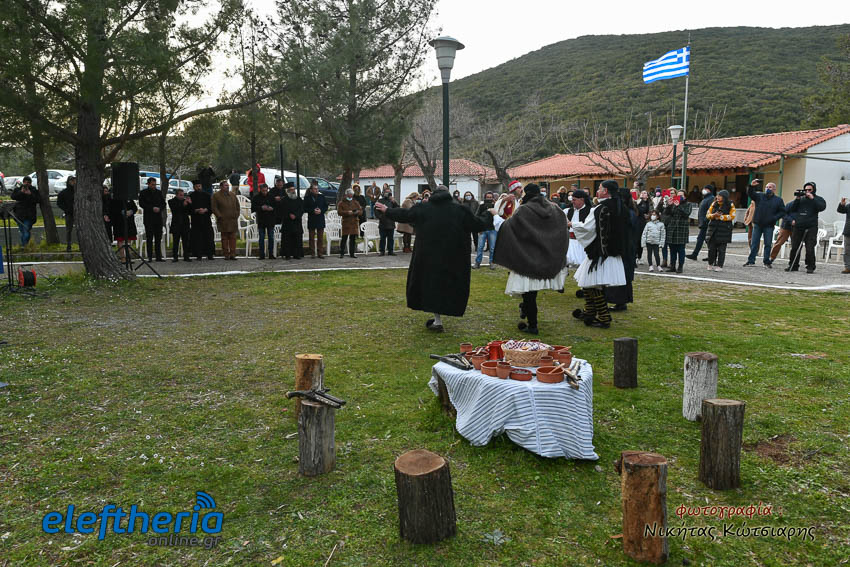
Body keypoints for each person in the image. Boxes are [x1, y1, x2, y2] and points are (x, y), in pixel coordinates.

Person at [376, 185, 492, 332]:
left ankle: (437, 320)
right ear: (448, 195)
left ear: (433, 195)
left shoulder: (423, 208)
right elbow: (478, 224)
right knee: (446, 286)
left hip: (428, 257)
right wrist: (489, 214)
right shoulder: (460, 210)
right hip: (453, 257)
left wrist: (387, 210)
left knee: (431, 286)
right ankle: (439, 319)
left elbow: (406, 215)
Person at [493, 184, 568, 335]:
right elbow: (562, 230)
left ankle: (532, 325)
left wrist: (495, 215)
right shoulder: (555, 209)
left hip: (527, 259)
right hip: (545, 258)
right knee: (531, 294)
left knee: (529, 295)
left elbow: (507, 227)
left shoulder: (524, 210)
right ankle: (526, 311)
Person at [571, 180, 627, 328]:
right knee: (587, 282)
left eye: (600, 188)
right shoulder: (621, 206)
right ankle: (589, 311)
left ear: (606, 191)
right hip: (614, 251)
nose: (598, 191)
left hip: (600, 253)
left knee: (593, 284)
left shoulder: (601, 208)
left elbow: (587, 228)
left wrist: (572, 224)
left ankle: (603, 317)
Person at [606, 187, 638, 310]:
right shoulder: (628, 211)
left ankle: (620, 301)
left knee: (623, 273)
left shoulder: (628, 213)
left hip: (626, 247)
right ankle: (619, 300)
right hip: (626, 246)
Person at [785, 182, 826, 274]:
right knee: (795, 247)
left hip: (811, 226)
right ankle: (793, 265)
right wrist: (797, 199)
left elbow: (822, 207)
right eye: (806, 190)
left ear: (814, 190)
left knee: (810, 247)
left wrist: (812, 198)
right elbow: (792, 209)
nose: (807, 191)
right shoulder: (801, 199)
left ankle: (810, 266)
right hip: (799, 226)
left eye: (809, 190)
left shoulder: (818, 199)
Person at [743, 180, 786, 268]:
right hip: (758, 224)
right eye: (766, 187)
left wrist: (774, 218)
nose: (767, 188)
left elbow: (782, 212)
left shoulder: (778, 200)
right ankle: (751, 261)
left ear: (774, 189)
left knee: (768, 244)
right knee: (754, 243)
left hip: (769, 225)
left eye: (770, 187)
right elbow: (750, 194)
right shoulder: (759, 196)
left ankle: (766, 262)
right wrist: (751, 186)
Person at [705, 190, 736, 272]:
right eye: (717, 195)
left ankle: (720, 265)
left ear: (724, 197)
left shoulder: (730, 205)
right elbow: (708, 214)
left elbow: (732, 216)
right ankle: (710, 263)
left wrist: (721, 217)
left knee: (722, 250)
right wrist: (713, 215)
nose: (718, 197)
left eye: (720, 196)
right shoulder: (714, 204)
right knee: (711, 248)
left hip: (724, 230)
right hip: (713, 229)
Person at [139, 177, 166, 262]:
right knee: (149, 238)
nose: (154, 186)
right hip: (149, 218)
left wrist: (159, 208)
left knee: (158, 238)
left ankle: (158, 256)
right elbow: (141, 204)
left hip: (158, 218)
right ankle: (150, 256)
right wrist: (151, 208)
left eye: (155, 184)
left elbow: (163, 203)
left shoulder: (159, 192)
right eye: (152, 185)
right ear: (148, 184)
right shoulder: (143, 193)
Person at [212, 180, 240, 260]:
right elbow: (214, 207)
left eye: (228, 185)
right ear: (221, 187)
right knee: (224, 238)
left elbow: (237, 206)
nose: (227, 187)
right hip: (223, 220)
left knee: (233, 237)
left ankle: (233, 254)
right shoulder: (216, 196)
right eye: (225, 185)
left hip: (233, 220)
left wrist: (236, 214)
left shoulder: (232, 195)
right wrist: (219, 216)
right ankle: (226, 254)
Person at [686, 185, 715, 260]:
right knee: (704, 239)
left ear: (709, 190)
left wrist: (705, 220)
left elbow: (711, 211)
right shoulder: (705, 198)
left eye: (705, 189)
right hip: (704, 223)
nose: (703, 190)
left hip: (707, 223)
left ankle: (697, 255)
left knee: (703, 239)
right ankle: (711, 255)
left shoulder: (711, 198)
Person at [188, 180, 215, 259]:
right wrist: (196, 210)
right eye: (197, 186)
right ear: (194, 187)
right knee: (197, 238)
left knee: (208, 237)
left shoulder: (207, 195)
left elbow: (211, 207)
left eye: (199, 186)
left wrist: (206, 210)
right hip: (196, 220)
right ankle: (198, 254)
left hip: (206, 219)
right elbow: (189, 209)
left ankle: (209, 254)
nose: (198, 188)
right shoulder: (191, 196)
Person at [565, 189, 590, 267]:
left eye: (574, 200)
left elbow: (587, 226)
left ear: (582, 200)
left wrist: (571, 224)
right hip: (571, 242)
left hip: (583, 243)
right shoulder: (568, 211)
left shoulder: (590, 211)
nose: (572, 202)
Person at [109, 192, 137, 263]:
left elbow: (134, 208)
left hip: (129, 222)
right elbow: (112, 209)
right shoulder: (114, 199)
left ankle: (128, 257)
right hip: (119, 222)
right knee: (120, 239)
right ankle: (122, 258)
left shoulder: (129, 198)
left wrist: (131, 211)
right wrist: (122, 212)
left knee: (129, 239)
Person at [251, 183, 277, 259]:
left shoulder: (271, 197)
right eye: (263, 191)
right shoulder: (256, 198)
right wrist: (261, 208)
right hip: (261, 220)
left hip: (270, 220)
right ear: (260, 190)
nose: (265, 192)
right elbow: (253, 208)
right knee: (261, 237)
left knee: (271, 237)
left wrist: (272, 208)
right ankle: (261, 254)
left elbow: (276, 207)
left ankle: (271, 253)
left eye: (266, 190)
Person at [11, 176, 39, 246]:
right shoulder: (18, 189)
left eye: (28, 182)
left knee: (26, 231)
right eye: (25, 182)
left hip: (29, 216)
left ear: (30, 183)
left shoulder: (33, 190)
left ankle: (24, 246)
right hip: (19, 215)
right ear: (23, 182)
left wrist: (30, 194)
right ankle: (25, 246)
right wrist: (21, 192)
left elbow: (38, 199)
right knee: (22, 232)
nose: (26, 184)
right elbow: (13, 196)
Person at [473, 191, 498, 269]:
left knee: (492, 248)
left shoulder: (495, 206)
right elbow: (476, 216)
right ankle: (477, 262)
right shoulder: (481, 206)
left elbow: (499, 215)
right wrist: (479, 227)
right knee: (480, 247)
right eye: (488, 197)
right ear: (485, 198)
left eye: (490, 197)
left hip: (492, 229)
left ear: (493, 198)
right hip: (482, 229)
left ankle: (492, 262)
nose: (489, 199)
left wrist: (495, 205)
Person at [303, 181, 328, 258]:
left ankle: (320, 253)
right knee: (311, 238)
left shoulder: (321, 197)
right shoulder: (307, 198)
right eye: (315, 189)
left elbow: (326, 206)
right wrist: (312, 211)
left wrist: (321, 211)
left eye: (317, 189)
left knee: (320, 238)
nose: (316, 190)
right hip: (312, 219)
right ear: (311, 190)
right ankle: (312, 253)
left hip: (320, 219)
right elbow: (304, 208)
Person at [281, 182, 304, 260]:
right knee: (287, 240)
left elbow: (301, 209)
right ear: (287, 191)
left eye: (293, 189)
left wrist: (296, 215)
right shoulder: (284, 200)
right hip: (287, 223)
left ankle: (296, 254)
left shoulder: (299, 199)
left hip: (297, 222)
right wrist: (289, 215)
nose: (293, 191)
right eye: (291, 190)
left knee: (297, 239)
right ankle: (287, 254)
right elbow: (282, 211)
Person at [168, 187, 192, 262]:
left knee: (186, 241)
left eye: (183, 195)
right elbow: (175, 210)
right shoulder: (171, 201)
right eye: (180, 195)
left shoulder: (185, 201)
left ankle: (186, 256)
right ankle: (175, 256)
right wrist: (183, 205)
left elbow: (190, 211)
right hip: (176, 224)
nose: (182, 196)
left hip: (185, 223)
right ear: (177, 195)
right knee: (176, 241)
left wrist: (190, 204)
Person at [337, 188, 363, 258]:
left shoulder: (355, 202)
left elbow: (361, 211)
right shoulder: (341, 203)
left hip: (354, 223)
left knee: (353, 239)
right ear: (346, 195)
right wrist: (347, 213)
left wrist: (357, 212)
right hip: (346, 223)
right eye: (350, 195)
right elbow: (339, 212)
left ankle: (352, 253)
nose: (351, 196)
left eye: (352, 195)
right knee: (344, 238)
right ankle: (342, 253)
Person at [374, 186, 398, 255]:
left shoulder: (392, 201)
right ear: (383, 193)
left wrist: (394, 202)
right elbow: (376, 211)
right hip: (383, 223)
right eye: (386, 192)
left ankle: (390, 251)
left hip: (391, 222)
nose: (388, 193)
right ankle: (382, 251)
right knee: (382, 238)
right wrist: (381, 217)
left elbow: (397, 209)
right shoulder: (380, 201)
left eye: (389, 192)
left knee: (391, 238)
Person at [57, 175, 76, 251]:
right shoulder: (64, 192)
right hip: (69, 213)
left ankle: (82, 245)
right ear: (68, 182)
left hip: (78, 213)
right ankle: (68, 245)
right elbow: (59, 203)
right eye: (71, 181)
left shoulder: (78, 191)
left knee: (80, 230)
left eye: (74, 180)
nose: (73, 182)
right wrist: (66, 209)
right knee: (69, 230)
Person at [634, 190, 652, 264]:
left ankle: (639, 257)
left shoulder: (647, 203)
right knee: (636, 240)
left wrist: (638, 204)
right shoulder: (637, 201)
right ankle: (635, 256)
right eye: (642, 193)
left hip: (642, 223)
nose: (643, 194)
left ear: (647, 196)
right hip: (636, 222)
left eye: (645, 193)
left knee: (641, 241)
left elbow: (643, 210)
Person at [838, 197, 850, 274]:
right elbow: (840, 210)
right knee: (847, 250)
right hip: (848, 230)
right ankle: (848, 267)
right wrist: (842, 204)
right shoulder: (849, 206)